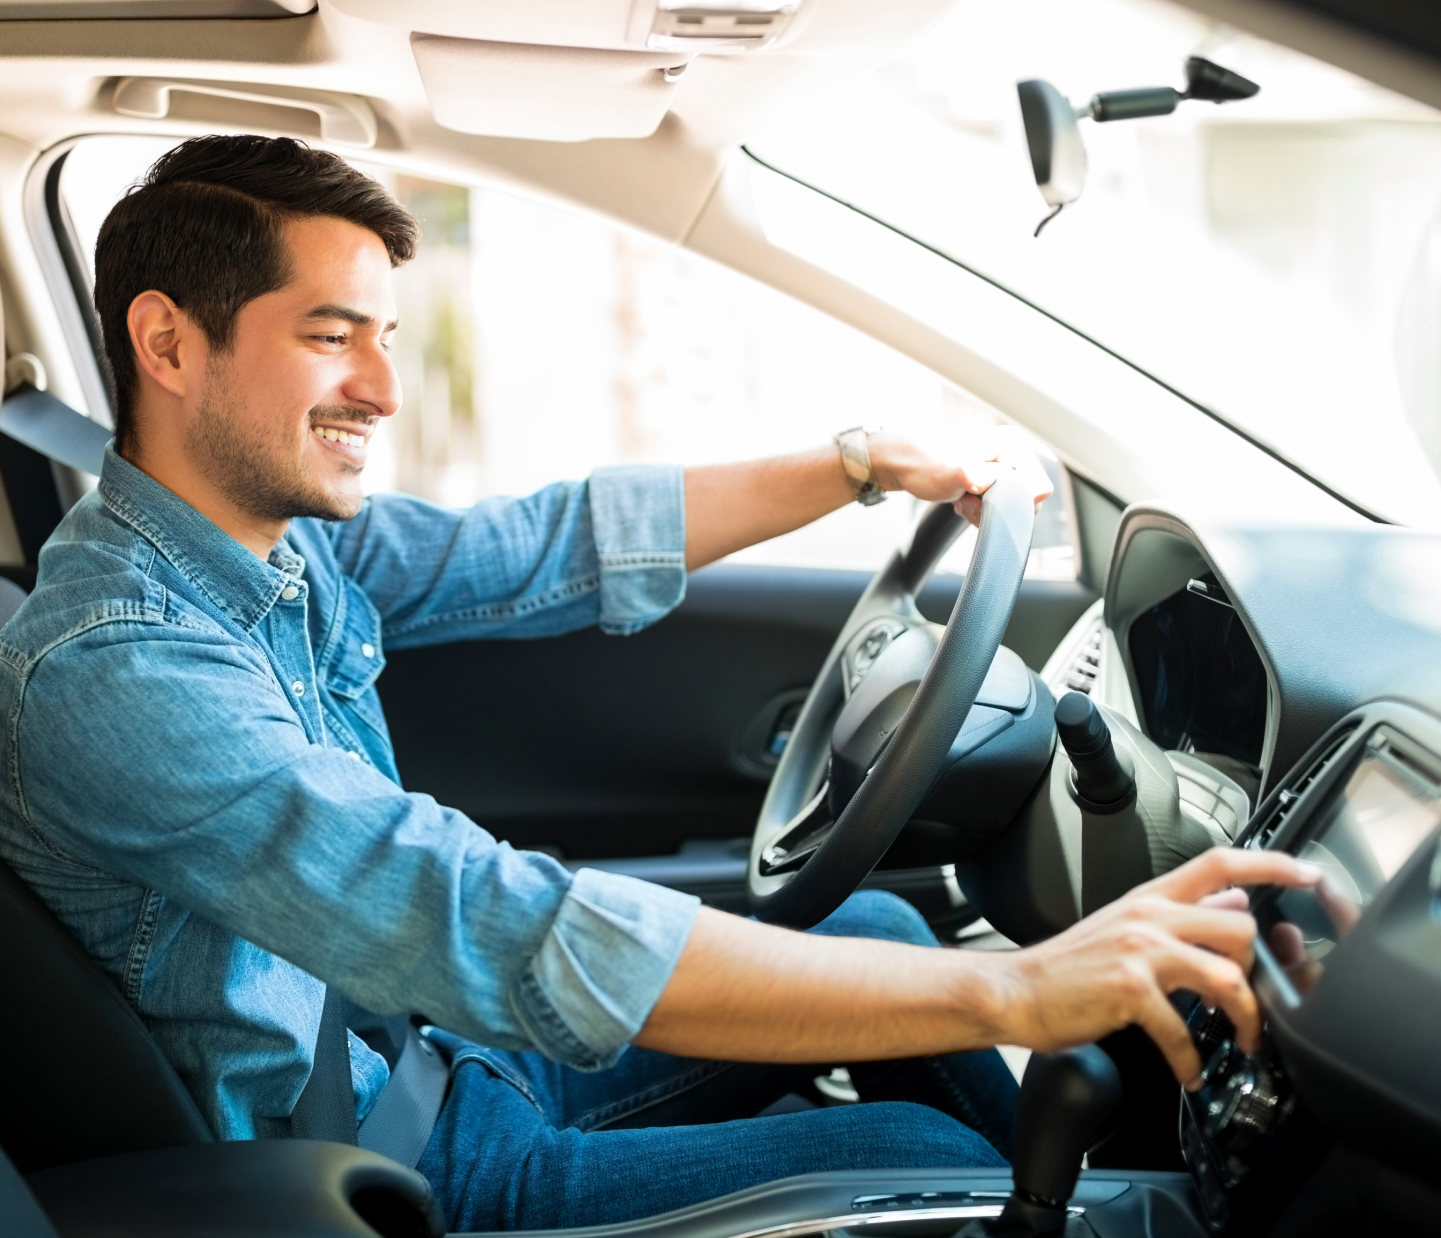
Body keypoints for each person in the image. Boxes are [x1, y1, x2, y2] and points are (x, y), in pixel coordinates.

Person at [0, 135, 1317, 1232]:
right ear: (168, 345)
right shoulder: (114, 668)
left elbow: (547, 547)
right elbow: (476, 913)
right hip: (389, 1162)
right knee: (904, 1145)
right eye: (332, 335)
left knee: (881, 936)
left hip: (444, 1058)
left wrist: (856, 462)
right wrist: (1015, 991)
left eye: (388, 335)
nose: (386, 387)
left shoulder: (278, 548)